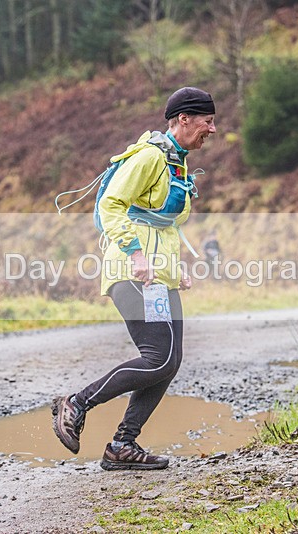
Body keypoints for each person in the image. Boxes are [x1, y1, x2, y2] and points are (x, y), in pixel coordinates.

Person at [52, 87, 216, 470]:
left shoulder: (177, 163)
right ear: (184, 119)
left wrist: (175, 268)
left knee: (169, 361)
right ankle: (76, 403)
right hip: (131, 271)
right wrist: (136, 254)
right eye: (208, 121)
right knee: (159, 358)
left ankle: (122, 444)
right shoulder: (149, 157)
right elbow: (112, 204)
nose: (212, 129)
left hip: (158, 276)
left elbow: (162, 225)